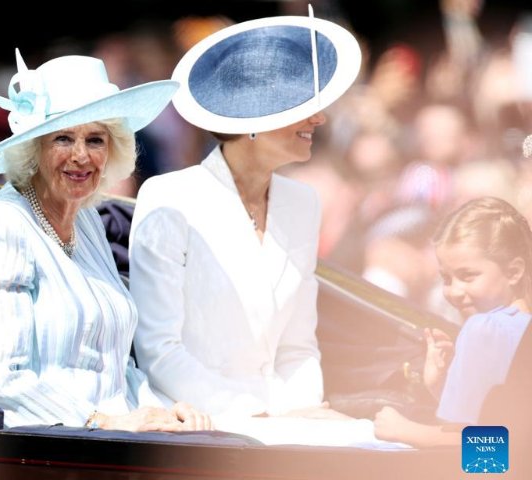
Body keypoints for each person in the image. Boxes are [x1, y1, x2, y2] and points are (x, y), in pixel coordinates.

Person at [0, 50, 212, 432]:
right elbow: (1, 379)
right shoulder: (4, 225)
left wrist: (166, 409)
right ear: (34, 147)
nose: (81, 156)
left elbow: (113, 367)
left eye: (95, 139)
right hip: (44, 449)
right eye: (63, 138)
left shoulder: (88, 219)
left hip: (112, 441)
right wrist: (103, 421)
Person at [129, 13, 363, 430]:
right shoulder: (169, 197)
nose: (320, 119)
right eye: (301, 107)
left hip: (285, 423)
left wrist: (297, 416)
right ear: (253, 121)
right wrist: (258, 415)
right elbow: (159, 351)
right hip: (196, 426)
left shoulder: (303, 202)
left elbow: (297, 347)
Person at [374, 197, 532, 447]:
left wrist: (402, 430)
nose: (454, 291)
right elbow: (495, 424)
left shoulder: (482, 329)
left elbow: (488, 448)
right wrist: (441, 384)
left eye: (468, 276)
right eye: (446, 279)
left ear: (514, 272)